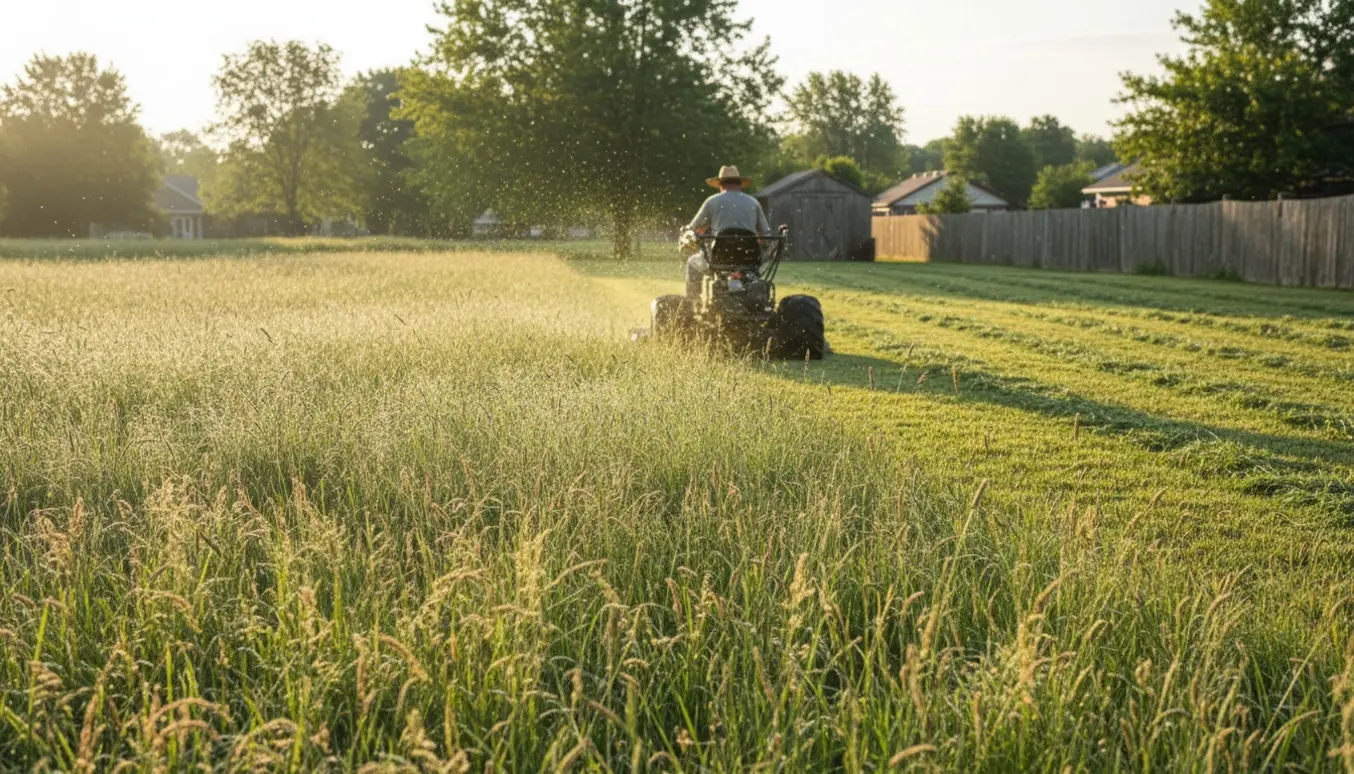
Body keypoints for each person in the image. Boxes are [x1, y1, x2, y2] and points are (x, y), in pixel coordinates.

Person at [682, 165, 771, 298]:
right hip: (749, 260)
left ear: (720, 185)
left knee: (692, 262)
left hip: (718, 259)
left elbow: (692, 230)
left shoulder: (712, 201)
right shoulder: (754, 203)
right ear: (740, 184)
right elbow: (766, 236)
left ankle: (693, 302)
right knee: (755, 263)